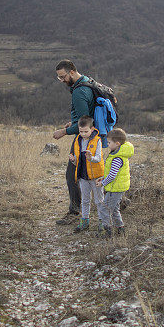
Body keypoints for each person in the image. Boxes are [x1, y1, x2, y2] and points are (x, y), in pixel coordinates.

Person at [52, 59, 98, 224]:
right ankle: (119, 201)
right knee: (93, 172)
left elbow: (84, 121)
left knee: (72, 174)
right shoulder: (87, 81)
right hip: (93, 135)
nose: (62, 80)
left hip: (84, 137)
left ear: (72, 72)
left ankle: (74, 212)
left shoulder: (79, 92)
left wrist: (64, 131)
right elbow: (85, 114)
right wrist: (73, 122)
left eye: (63, 76)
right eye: (59, 78)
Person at [96, 128, 134, 237]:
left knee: (105, 209)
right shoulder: (116, 154)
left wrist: (102, 183)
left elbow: (112, 175)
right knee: (114, 209)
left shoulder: (117, 158)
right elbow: (110, 172)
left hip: (115, 188)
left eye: (109, 142)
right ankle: (120, 229)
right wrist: (103, 178)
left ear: (117, 143)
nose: (107, 144)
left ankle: (107, 231)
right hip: (116, 187)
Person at [69, 116, 104, 233]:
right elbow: (77, 161)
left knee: (99, 200)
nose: (83, 134)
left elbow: (98, 158)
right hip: (83, 175)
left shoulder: (97, 140)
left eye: (86, 131)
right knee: (85, 199)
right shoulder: (77, 141)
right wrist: (73, 160)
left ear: (92, 129)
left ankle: (102, 222)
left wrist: (91, 158)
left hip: (96, 176)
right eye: (81, 131)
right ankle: (85, 222)